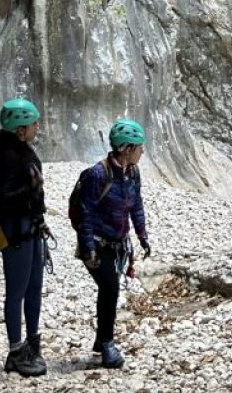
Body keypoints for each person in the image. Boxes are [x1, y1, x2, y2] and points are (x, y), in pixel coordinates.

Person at [76, 117, 151, 368]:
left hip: (118, 244)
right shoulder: (98, 174)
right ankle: (107, 344)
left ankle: (101, 340)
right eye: (139, 147)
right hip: (96, 244)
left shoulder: (133, 172)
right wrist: (87, 248)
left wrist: (142, 236)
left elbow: (136, 205)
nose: (142, 151)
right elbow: (85, 213)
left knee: (109, 289)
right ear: (127, 149)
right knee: (110, 288)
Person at [0, 97, 48, 377]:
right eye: (34, 122)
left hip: (29, 228)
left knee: (33, 288)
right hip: (17, 232)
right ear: (20, 128)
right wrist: (32, 195)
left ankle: (31, 344)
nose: (37, 126)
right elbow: (7, 197)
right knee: (17, 291)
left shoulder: (21, 150)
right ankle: (15, 351)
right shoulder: (9, 157)